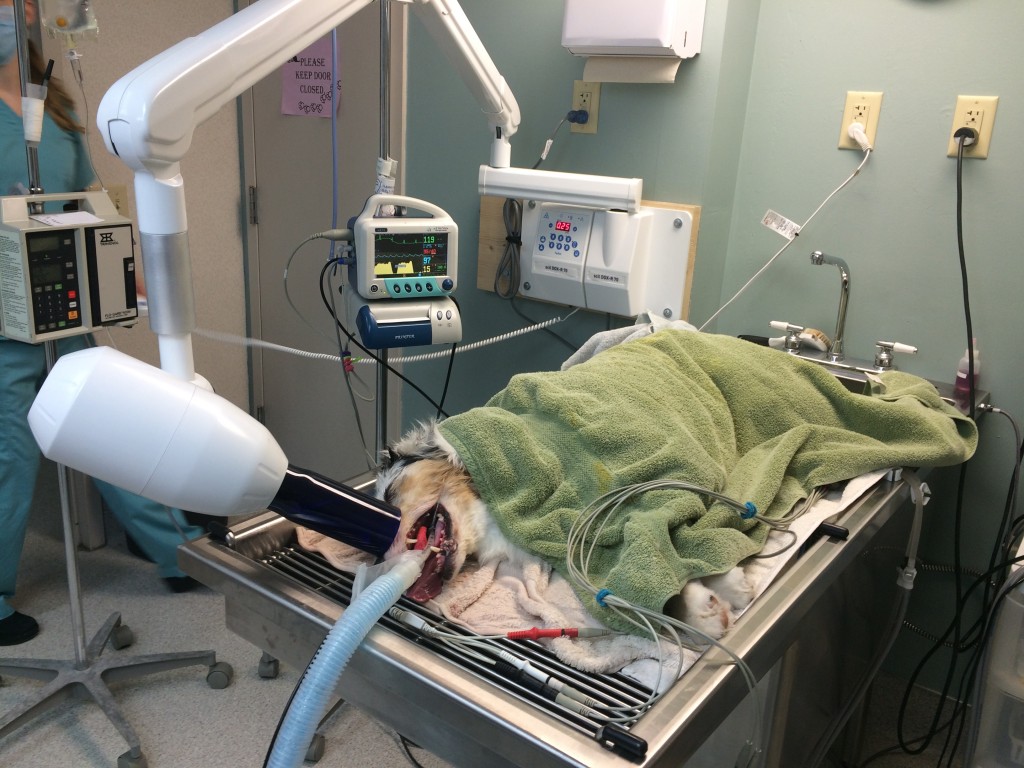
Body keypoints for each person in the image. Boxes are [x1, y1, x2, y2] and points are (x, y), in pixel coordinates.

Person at [0, 0, 205, 647]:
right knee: (11, 455)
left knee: (109, 426)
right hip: (6, 318)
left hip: (65, 301)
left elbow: (90, 201)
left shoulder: (52, 106)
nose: (10, 15)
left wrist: (136, 277)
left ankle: (177, 551)